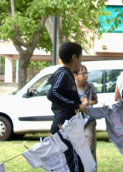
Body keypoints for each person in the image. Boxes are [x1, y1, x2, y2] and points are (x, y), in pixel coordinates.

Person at [47, 42, 87, 172]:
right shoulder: (63, 73)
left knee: (74, 163)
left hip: (69, 125)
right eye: (81, 57)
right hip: (64, 126)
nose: (82, 61)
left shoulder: (68, 74)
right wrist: (76, 106)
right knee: (74, 164)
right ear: (74, 57)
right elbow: (52, 93)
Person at [74, 65, 98, 164]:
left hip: (89, 120)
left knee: (90, 147)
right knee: (77, 148)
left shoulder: (90, 86)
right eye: (83, 73)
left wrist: (88, 103)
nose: (86, 76)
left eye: (86, 73)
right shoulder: (72, 88)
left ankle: (92, 169)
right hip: (76, 121)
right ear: (75, 75)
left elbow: (95, 100)